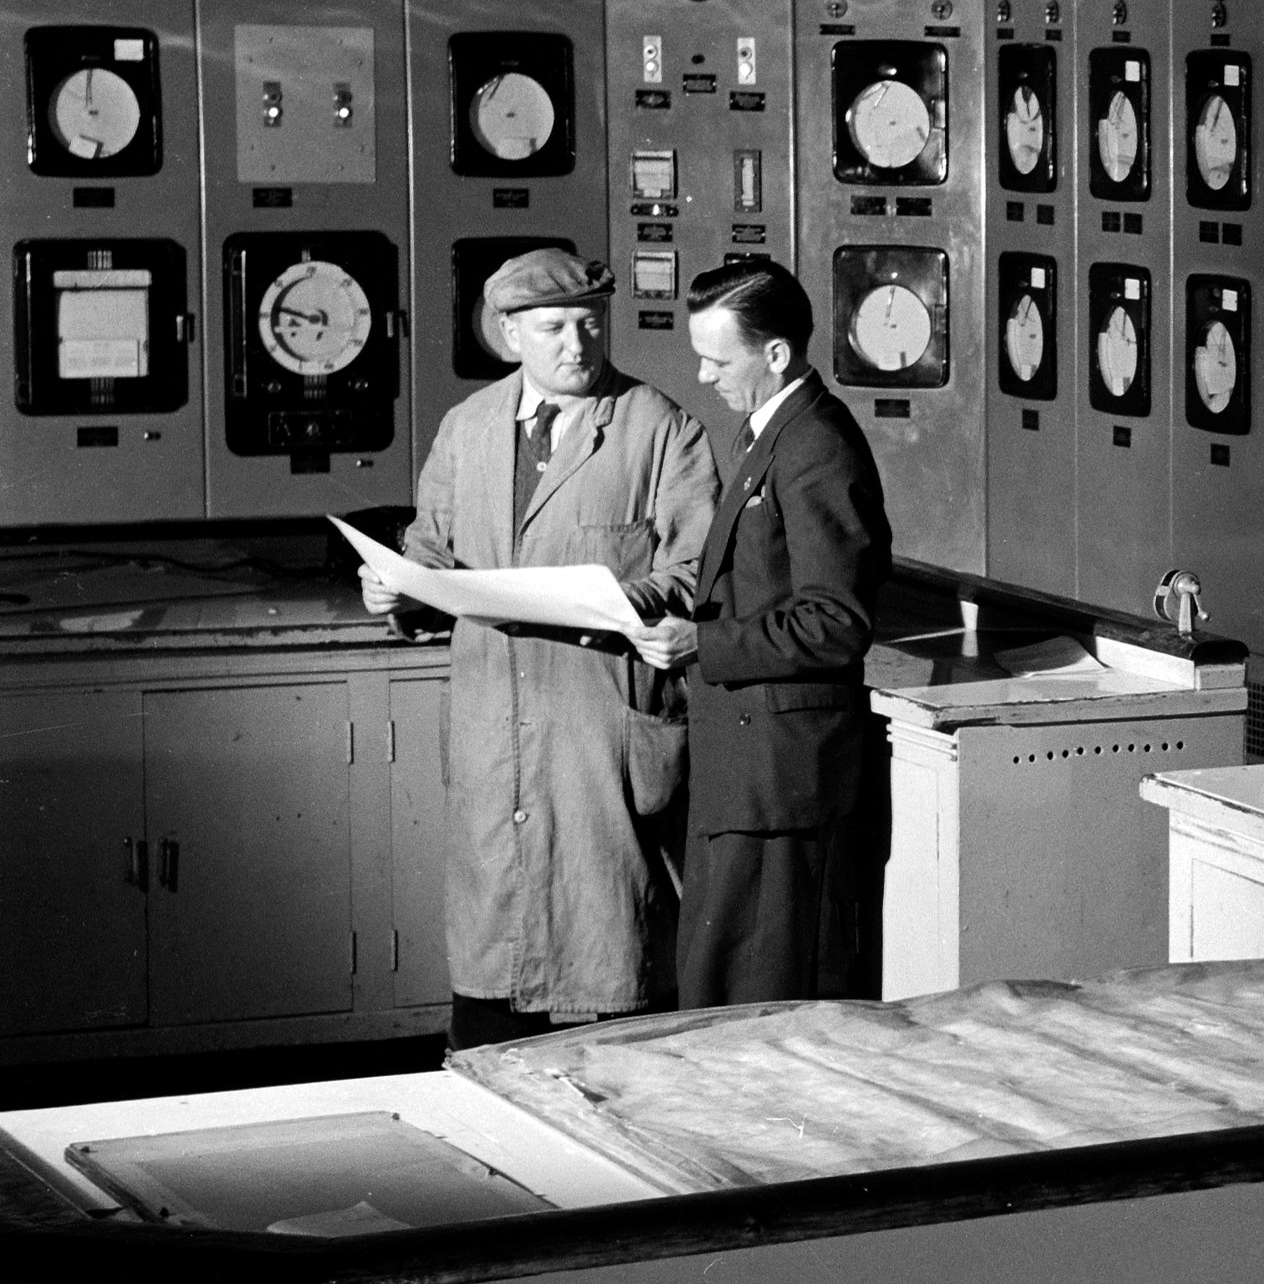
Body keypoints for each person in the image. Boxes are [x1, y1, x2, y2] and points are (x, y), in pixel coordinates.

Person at [366, 249, 718, 1048]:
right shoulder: (467, 428)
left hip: (599, 734)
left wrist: (626, 597)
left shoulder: (659, 427)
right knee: (496, 971)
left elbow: (699, 567)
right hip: (495, 725)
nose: (577, 344)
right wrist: (396, 589)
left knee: (613, 966)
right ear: (508, 332)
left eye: (591, 324)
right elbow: (430, 549)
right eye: (554, 327)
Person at [634, 258, 894, 1005]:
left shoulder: (816, 445)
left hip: (782, 785)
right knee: (722, 990)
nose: (703, 374)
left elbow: (836, 620)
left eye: (718, 360)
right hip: (746, 772)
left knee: (764, 1000)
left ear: (776, 353)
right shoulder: (766, 434)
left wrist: (703, 643)